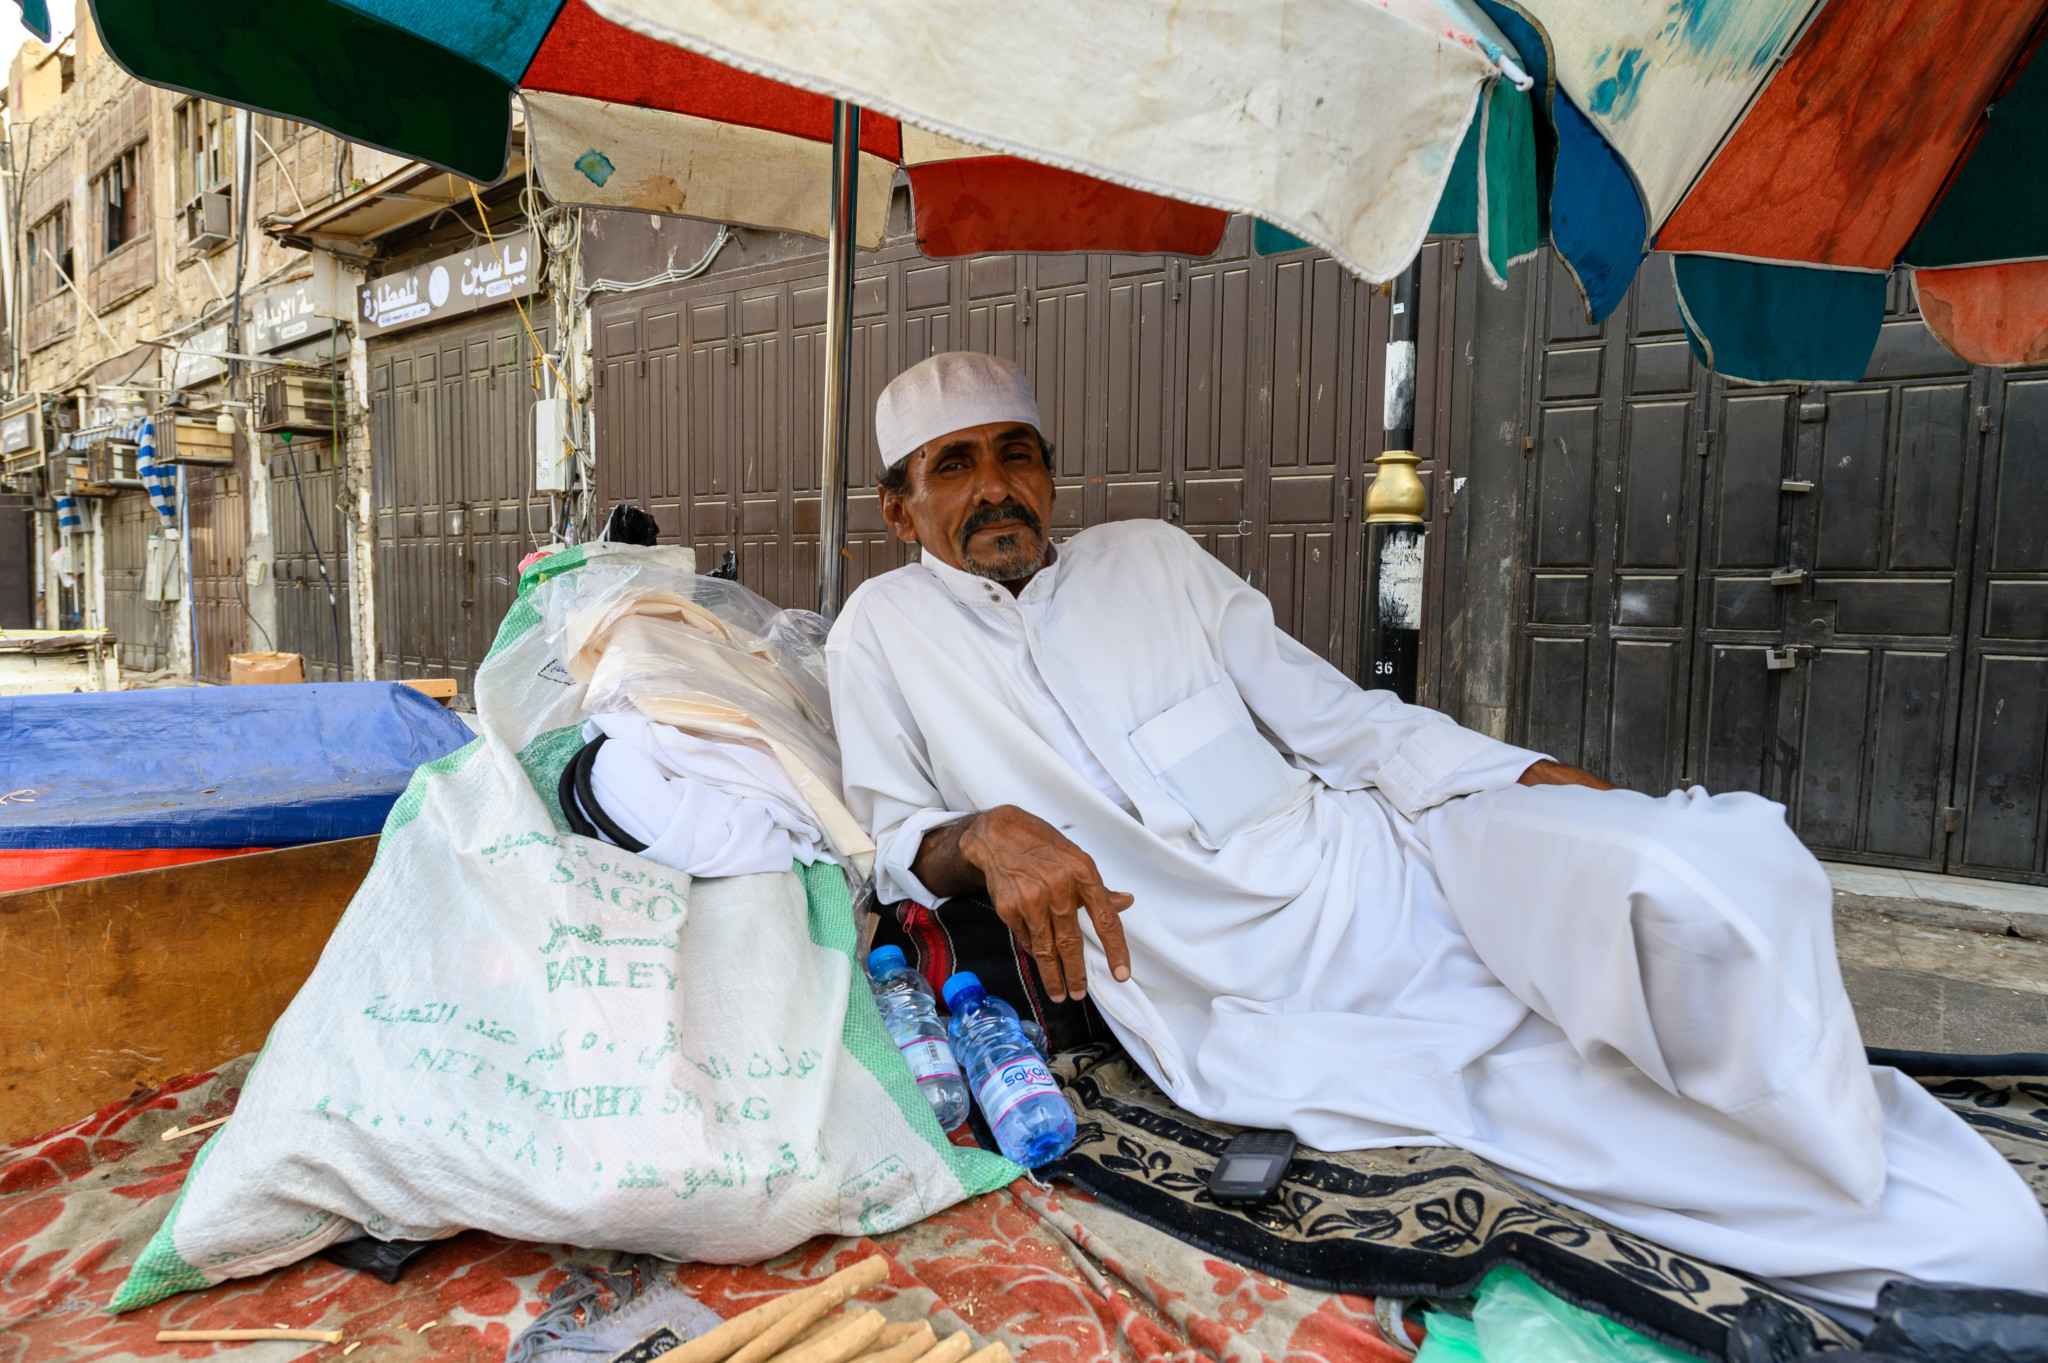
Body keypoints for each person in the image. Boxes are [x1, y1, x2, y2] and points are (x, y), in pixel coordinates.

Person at [824, 351, 2048, 1312]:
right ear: (899, 508)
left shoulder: (1153, 559)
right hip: (1234, 981)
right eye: (952, 466)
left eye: (1014, 455)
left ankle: (1808, 1093)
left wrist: (1519, 773)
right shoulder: (881, 632)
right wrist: (981, 829)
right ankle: (1930, 1225)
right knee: (1566, 1102)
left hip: (1380, 864)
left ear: (1048, 470)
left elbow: (1340, 720)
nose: (993, 488)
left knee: (1690, 869)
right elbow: (890, 834)